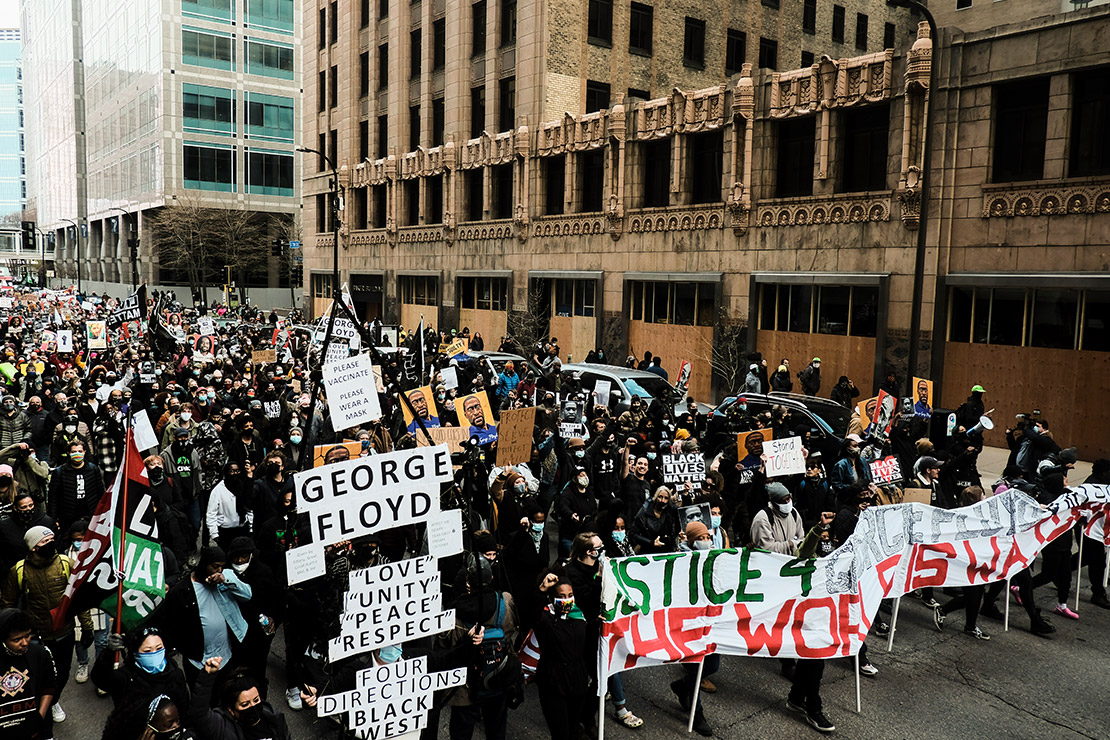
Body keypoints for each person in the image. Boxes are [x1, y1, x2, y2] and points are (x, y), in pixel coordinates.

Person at [150, 546, 252, 688]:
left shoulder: (226, 577)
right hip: (198, 661)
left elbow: (247, 595)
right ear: (204, 565)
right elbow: (170, 624)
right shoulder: (182, 590)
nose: (218, 571)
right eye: (215, 567)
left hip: (226, 657)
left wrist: (225, 580)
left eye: (221, 567)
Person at [1, 526, 73, 724]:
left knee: (63, 672)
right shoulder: (19, 570)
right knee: (41, 674)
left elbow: (77, 597)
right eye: (44, 541)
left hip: (65, 632)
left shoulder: (66, 563)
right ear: (33, 547)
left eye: (52, 539)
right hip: (37, 635)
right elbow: (8, 603)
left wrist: (87, 627)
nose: (50, 543)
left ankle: (53, 699)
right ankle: (41, 706)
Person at [532, 573, 594, 740]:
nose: (567, 600)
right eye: (561, 596)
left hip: (578, 682)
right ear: (552, 598)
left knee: (573, 730)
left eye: (570, 595)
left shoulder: (579, 616)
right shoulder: (545, 619)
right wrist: (542, 589)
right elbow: (532, 612)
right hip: (553, 683)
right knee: (561, 734)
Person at [92, 627, 190, 713]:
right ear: (136, 653)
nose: (154, 653)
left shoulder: (176, 674)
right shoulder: (125, 678)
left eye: (159, 648)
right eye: (147, 651)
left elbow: (184, 709)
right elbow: (100, 679)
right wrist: (109, 653)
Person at [190, 657, 291, 740]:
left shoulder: (274, 717)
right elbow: (199, 714)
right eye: (245, 704)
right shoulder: (223, 728)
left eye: (256, 700)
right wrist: (207, 677)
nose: (253, 706)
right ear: (231, 709)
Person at [0, 607, 57, 740]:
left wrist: (39, 717)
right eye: (17, 640)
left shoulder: (40, 653)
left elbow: (49, 687)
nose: (25, 643)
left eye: (27, 635)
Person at [47, 439, 105, 534]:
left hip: (90, 514)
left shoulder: (93, 469)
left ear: (84, 452)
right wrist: (53, 519)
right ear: (68, 453)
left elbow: (100, 492)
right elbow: (53, 497)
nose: (77, 454)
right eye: (74, 452)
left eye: (80, 451)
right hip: (68, 516)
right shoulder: (59, 472)